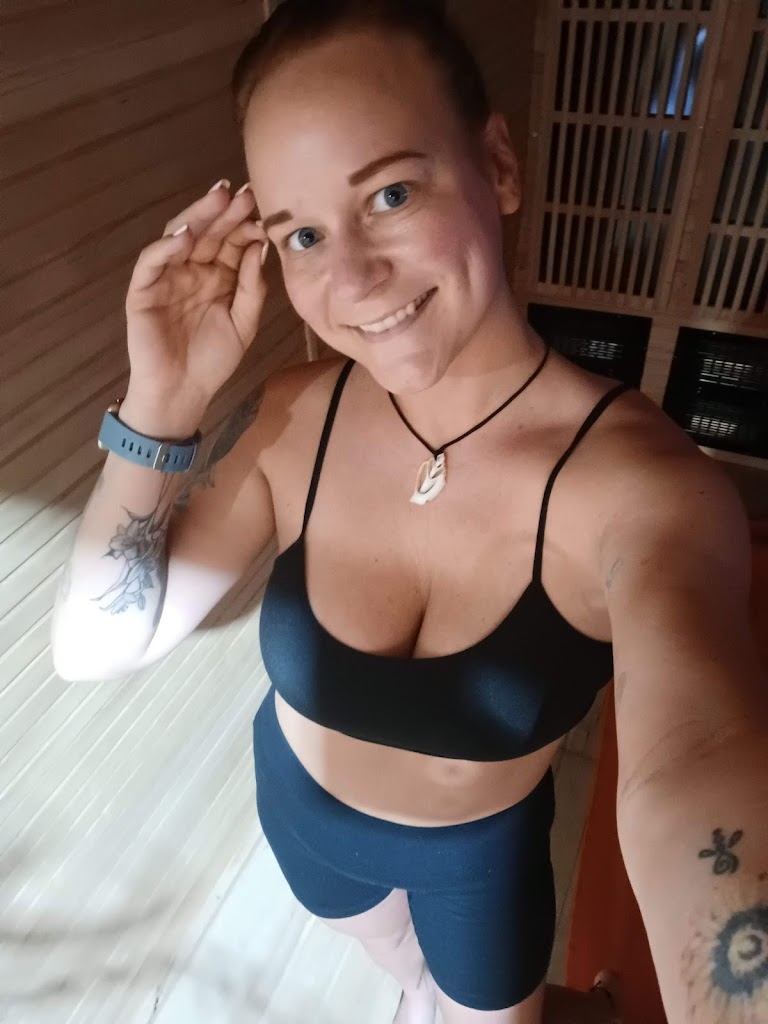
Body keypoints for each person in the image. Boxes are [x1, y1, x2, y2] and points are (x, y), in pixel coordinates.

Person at [52, 2, 768, 1023]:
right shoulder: (294, 420)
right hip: (304, 819)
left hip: (477, 867)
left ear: (499, 166)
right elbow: (93, 647)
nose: (352, 280)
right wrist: (161, 402)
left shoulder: (646, 490)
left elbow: (691, 771)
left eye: (390, 193)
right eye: (303, 234)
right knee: (404, 976)